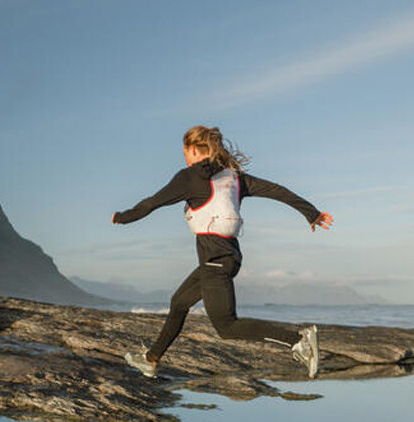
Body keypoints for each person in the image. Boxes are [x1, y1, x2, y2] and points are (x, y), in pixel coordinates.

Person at [111, 125, 333, 378]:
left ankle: (297, 340)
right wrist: (311, 213)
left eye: (185, 152)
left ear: (193, 150)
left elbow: (152, 203)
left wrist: (122, 217)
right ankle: (151, 359)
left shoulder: (188, 177)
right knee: (179, 302)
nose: (184, 157)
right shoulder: (234, 178)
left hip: (214, 260)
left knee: (227, 326)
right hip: (227, 257)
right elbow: (276, 190)